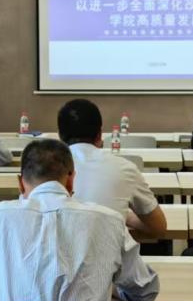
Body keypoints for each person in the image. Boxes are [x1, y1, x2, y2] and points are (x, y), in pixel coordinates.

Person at [0, 138, 159, 301]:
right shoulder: (109, 220)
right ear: (71, 180)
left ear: (20, 183)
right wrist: (110, 285)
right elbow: (145, 292)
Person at [58, 99, 168, 241]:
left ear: (60, 136)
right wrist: (125, 217)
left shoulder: (42, 171)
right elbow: (159, 228)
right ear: (99, 134)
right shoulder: (124, 169)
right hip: (109, 254)